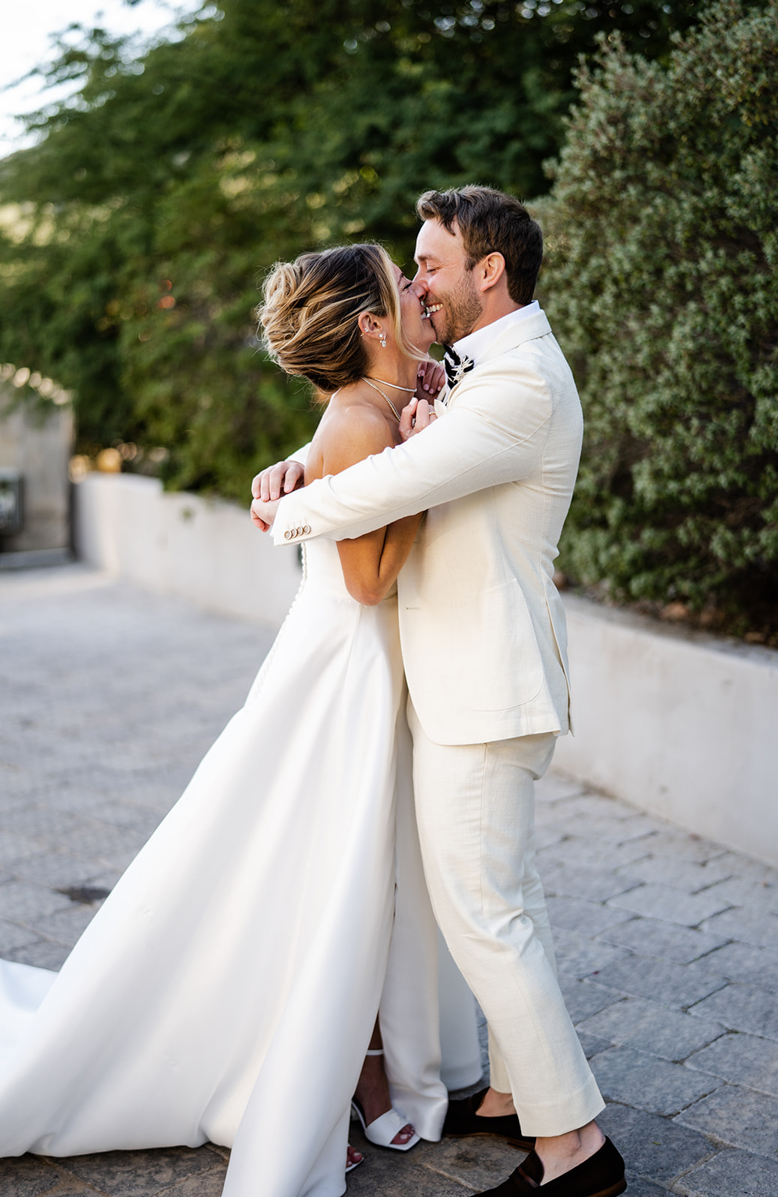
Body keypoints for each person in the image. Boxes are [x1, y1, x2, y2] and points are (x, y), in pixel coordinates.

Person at [0, 242, 482, 1197]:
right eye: (400, 285)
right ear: (372, 325)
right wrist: (426, 459)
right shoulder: (358, 421)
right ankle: (322, 1070)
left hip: (370, 666)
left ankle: (363, 1063)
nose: (417, 292)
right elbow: (369, 579)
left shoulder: (392, 399)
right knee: (332, 873)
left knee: (365, 874)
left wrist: (421, 424)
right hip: (343, 667)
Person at [251, 186, 627, 1197]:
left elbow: (389, 481)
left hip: (485, 684)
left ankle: (574, 1151)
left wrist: (288, 516)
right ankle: (511, 1097)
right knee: (512, 904)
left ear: (486, 271)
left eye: (430, 263)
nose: (416, 281)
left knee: (485, 916)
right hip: (469, 677)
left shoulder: (518, 389)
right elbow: (365, 428)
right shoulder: (474, 369)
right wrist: (294, 462)